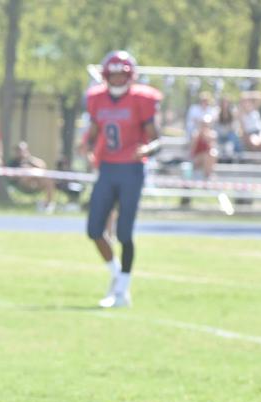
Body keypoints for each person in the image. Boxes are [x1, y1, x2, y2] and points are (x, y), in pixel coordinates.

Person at [79, 50, 162, 308]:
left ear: (129, 75)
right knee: (94, 230)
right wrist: (86, 144)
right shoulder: (97, 98)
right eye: (112, 75)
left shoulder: (142, 98)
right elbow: (93, 131)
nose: (116, 80)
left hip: (132, 170)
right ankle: (116, 275)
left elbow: (156, 138)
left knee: (125, 233)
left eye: (120, 75)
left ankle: (122, 289)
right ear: (106, 76)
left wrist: (147, 149)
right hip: (107, 168)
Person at [7, 141, 57, 213]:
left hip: (37, 183)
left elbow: (43, 166)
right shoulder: (13, 162)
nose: (21, 152)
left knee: (48, 181)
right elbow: (11, 177)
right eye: (19, 150)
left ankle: (48, 205)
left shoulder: (31, 160)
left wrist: (30, 160)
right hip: (22, 185)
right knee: (26, 174)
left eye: (23, 150)